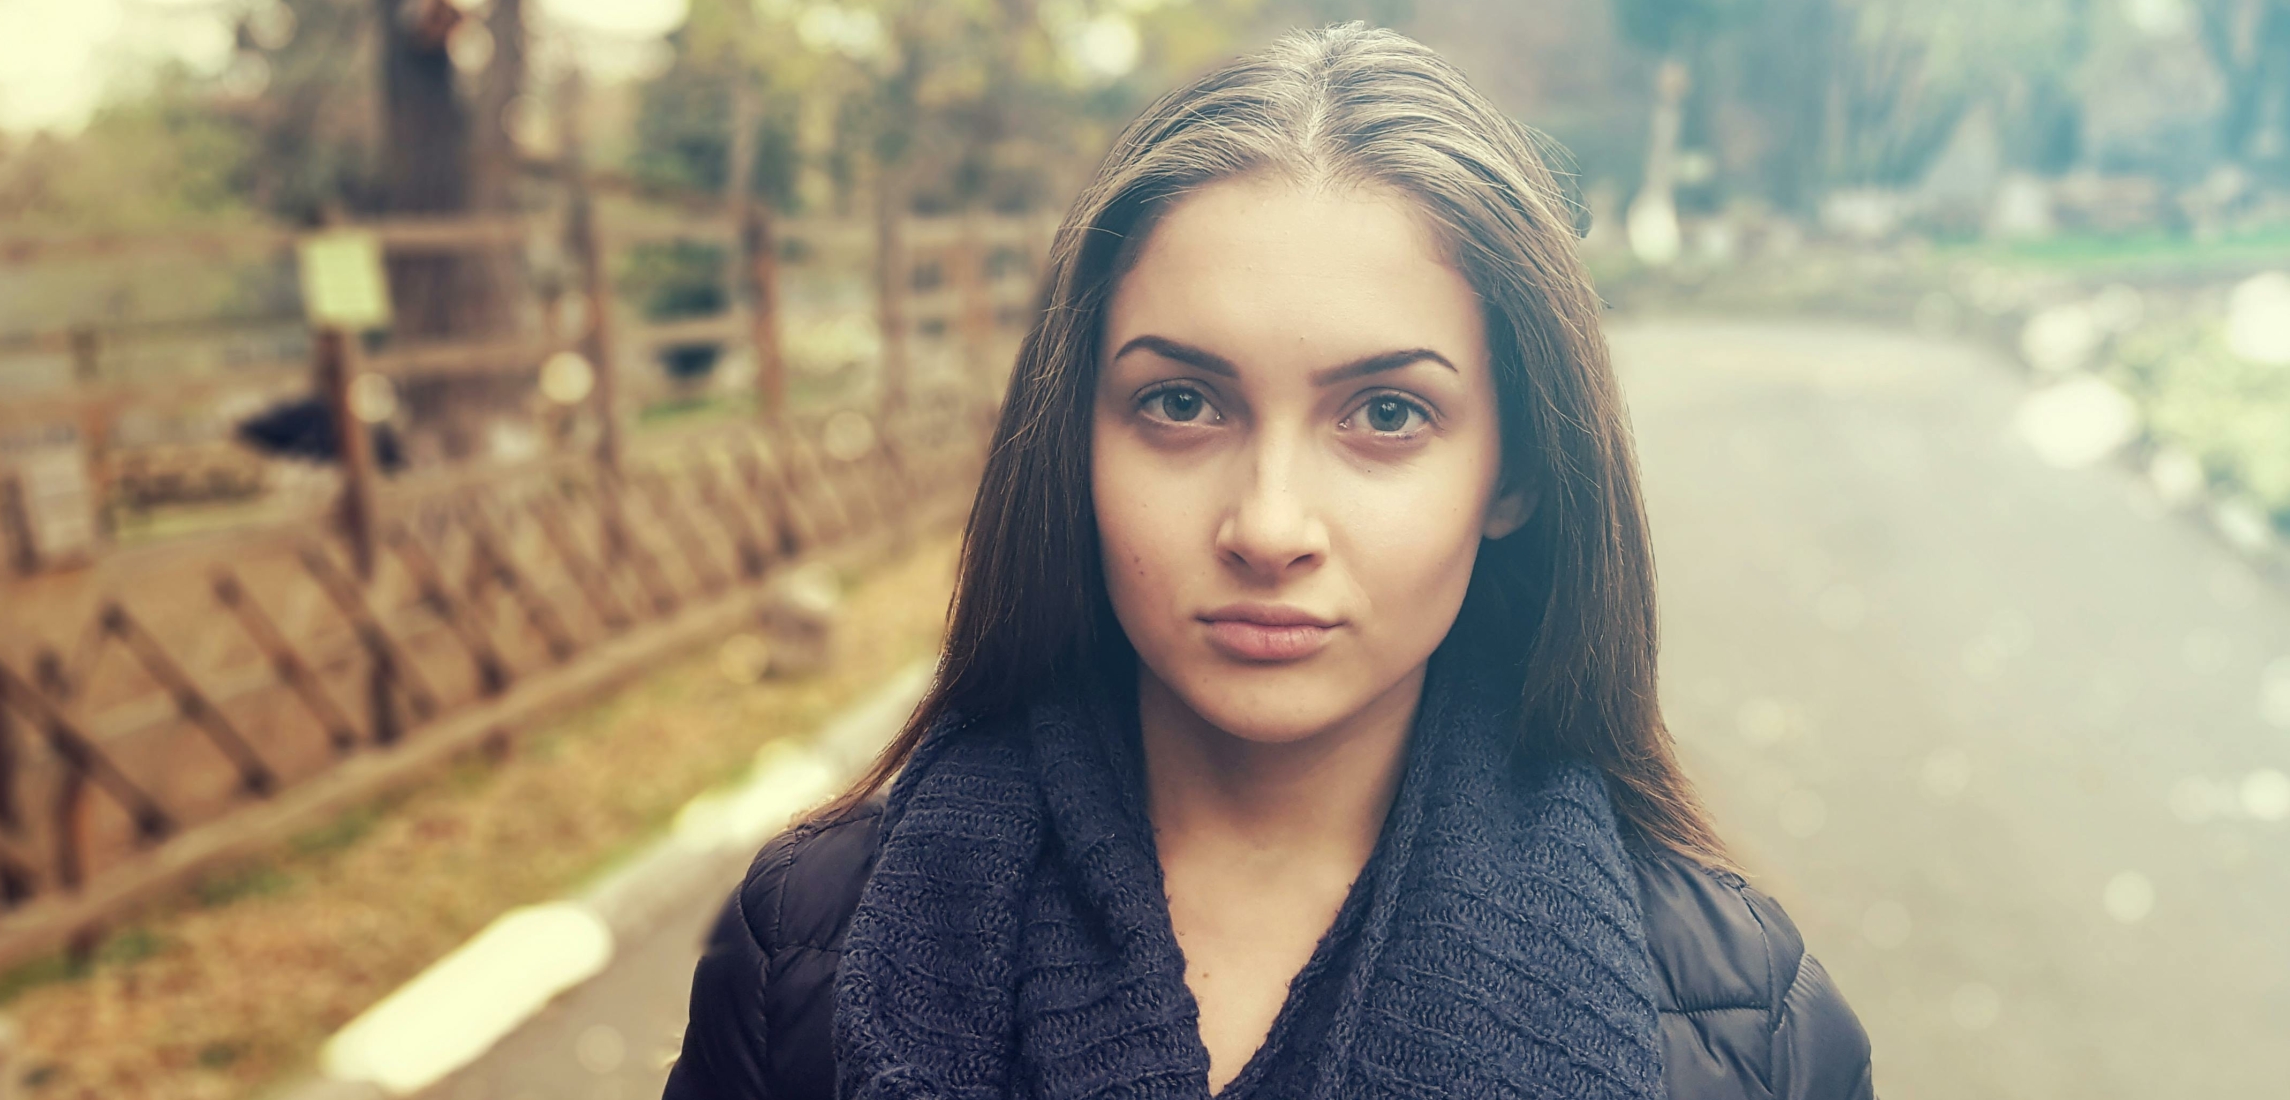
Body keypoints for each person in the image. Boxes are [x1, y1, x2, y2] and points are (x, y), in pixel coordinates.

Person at [663, 22, 1872, 1100]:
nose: (1268, 523)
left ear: (1515, 474)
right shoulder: (803, 955)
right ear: (1073, 434)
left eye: (1386, 415)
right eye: (1181, 402)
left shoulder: (1750, 1032)